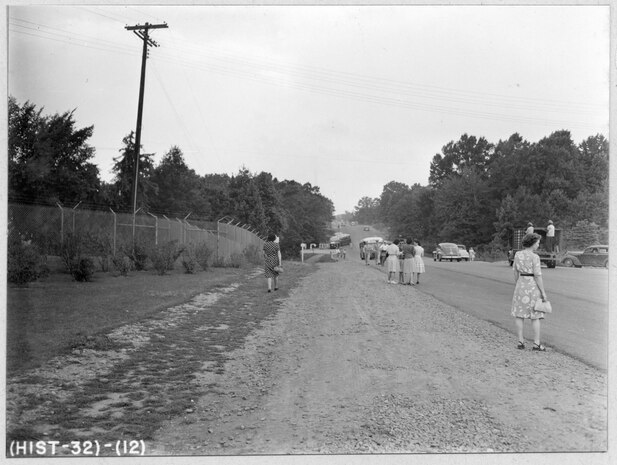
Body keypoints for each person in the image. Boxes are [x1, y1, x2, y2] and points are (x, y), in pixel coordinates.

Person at [511, 233, 549, 351]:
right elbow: (538, 276)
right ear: (533, 243)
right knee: (535, 316)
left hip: (520, 285)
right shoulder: (535, 257)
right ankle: (536, 344)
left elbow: (515, 271)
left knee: (519, 314)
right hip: (532, 286)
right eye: (537, 243)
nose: (538, 245)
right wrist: (543, 292)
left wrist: (519, 284)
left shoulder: (517, 254)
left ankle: (520, 342)